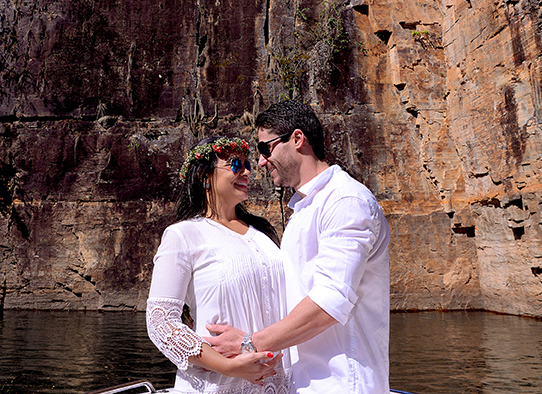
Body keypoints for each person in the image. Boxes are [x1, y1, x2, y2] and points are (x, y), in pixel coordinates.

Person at [205, 100, 390, 393]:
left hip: (341, 384)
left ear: (297, 139)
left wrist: (249, 343)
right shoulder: (305, 208)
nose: (262, 162)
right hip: (304, 383)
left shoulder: (345, 201)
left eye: (265, 149)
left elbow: (330, 302)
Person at [146, 136, 291, 393]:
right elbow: (161, 322)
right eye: (235, 164)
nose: (246, 171)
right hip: (218, 385)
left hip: (279, 383)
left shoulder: (263, 235)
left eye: (247, 165)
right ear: (204, 176)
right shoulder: (183, 235)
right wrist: (228, 367)